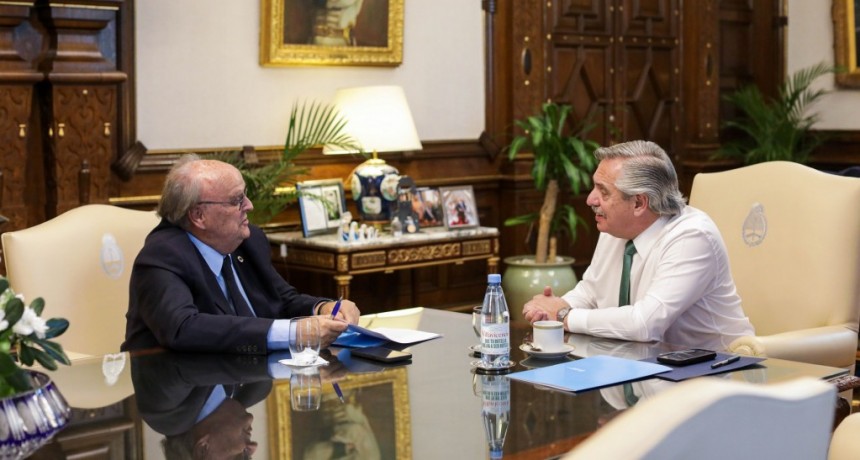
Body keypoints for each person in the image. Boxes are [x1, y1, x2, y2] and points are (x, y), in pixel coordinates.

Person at [522, 140, 754, 351]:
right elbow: (591, 291)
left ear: (639, 203)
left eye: (603, 191)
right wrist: (551, 310)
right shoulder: (616, 228)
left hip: (713, 377)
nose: (590, 200)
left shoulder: (692, 236)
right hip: (641, 368)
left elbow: (644, 323)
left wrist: (564, 315)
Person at [122, 154, 360, 354]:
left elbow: (282, 301)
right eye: (237, 200)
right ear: (198, 216)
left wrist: (323, 308)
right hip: (179, 393)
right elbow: (183, 328)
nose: (249, 206)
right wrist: (293, 333)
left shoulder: (248, 241)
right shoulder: (162, 256)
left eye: (245, 195)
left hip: (242, 382)